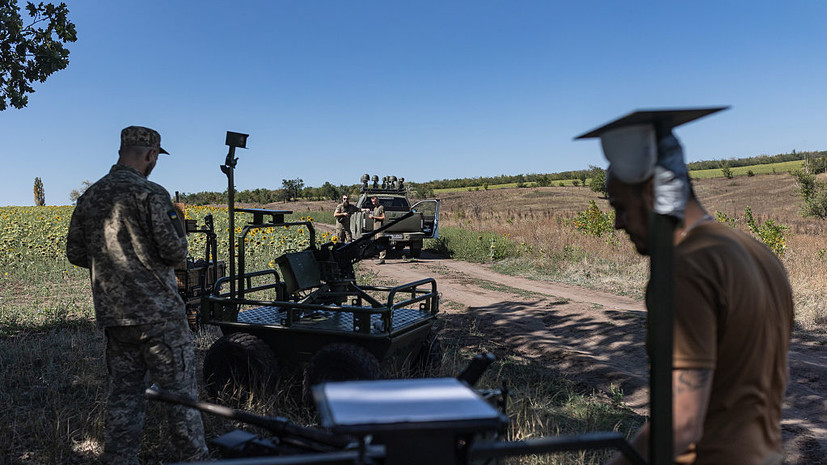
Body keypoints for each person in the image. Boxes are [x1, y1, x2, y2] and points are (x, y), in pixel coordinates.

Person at [605, 171, 793, 465]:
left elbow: (681, 422)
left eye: (621, 207)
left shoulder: (684, 267)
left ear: (654, 194)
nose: (617, 223)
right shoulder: (758, 253)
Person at [66, 126, 208, 464]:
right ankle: (195, 460)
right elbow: (175, 253)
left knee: (124, 401)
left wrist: (110, 264)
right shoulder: (152, 195)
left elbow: (74, 252)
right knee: (182, 402)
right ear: (150, 155)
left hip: (116, 317)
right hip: (159, 318)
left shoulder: (90, 197)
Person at [369, 195, 386, 264]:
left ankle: (382, 259)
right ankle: (380, 257)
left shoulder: (381, 207)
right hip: (376, 229)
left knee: (381, 243)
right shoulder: (375, 208)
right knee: (378, 244)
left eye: (375, 201)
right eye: (373, 202)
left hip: (380, 229)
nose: (374, 203)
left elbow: (383, 217)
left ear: (378, 200)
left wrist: (374, 217)